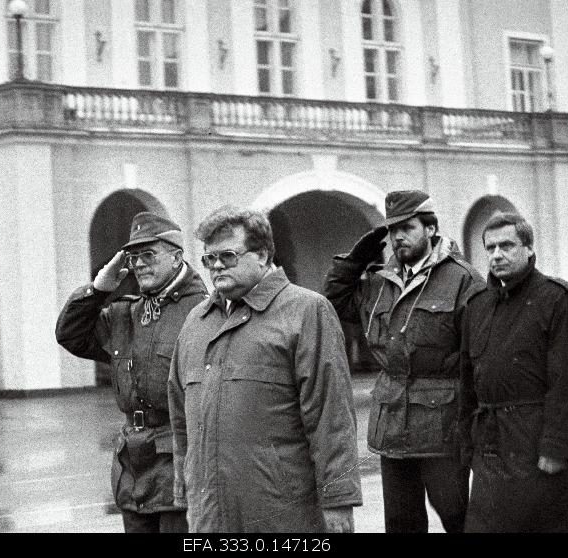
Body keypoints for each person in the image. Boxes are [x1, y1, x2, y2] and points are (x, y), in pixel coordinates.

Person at [168, 207, 362, 533]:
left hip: (283, 516)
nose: (216, 266)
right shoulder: (196, 322)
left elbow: (332, 418)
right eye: (208, 259)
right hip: (209, 517)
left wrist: (338, 501)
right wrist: (185, 492)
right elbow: (179, 419)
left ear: (261, 254)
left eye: (227, 256)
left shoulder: (307, 312)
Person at [324, 190, 483, 533]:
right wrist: (353, 263)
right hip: (392, 424)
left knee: (458, 518)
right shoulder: (381, 281)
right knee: (400, 524)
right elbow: (331, 306)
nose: (398, 236)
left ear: (430, 229)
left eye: (407, 227)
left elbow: (480, 356)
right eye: (392, 229)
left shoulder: (462, 279)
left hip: (443, 426)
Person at [56, 212, 208, 533]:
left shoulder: (203, 312)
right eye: (134, 256)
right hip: (133, 469)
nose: (139, 264)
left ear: (177, 256)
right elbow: (71, 334)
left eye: (149, 254)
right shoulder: (127, 313)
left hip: (180, 468)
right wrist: (99, 289)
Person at [457, 212, 568, 532]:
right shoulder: (477, 304)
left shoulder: (557, 299)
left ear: (529, 248)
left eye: (507, 245)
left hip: (539, 444)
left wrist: (556, 447)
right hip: (490, 448)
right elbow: (467, 381)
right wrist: (467, 445)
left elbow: (567, 382)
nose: (497, 255)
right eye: (490, 248)